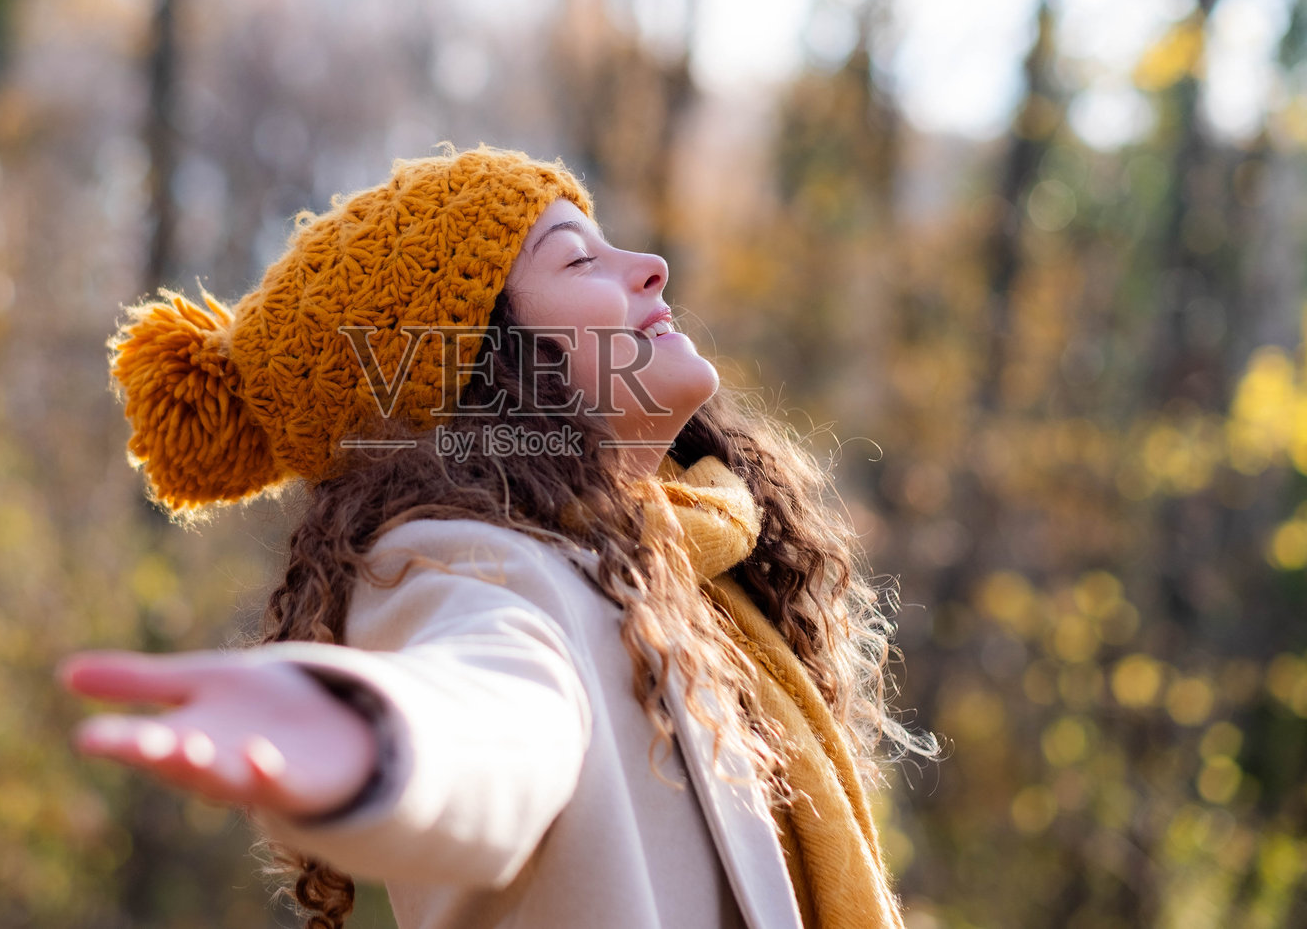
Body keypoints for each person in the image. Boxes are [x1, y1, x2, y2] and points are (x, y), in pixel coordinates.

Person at [59, 145, 936, 929]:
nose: (653, 268)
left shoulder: (700, 566)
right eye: (578, 258)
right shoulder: (472, 564)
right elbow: (497, 711)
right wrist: (381, 740)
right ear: (483, 364)